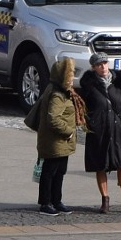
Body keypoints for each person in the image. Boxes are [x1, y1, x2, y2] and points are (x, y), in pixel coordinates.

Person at [79, 52, 121, 214]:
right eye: (99, 64)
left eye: (105, 63)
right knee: (101, 165)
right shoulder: (89, 85)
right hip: (98, 130)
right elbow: (82, 108)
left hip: (118, 128)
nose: (103, 67)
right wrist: (90, 122)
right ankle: (105, 200)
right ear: (93, 68)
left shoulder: (118, 83)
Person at [35, 57, 87, 217]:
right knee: (50, 172)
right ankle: (46, 203)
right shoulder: (57, 95)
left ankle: (56, 201)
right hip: (55, 141)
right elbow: (53, 118)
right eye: (70, 76)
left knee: (60, 171)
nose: (72, 79)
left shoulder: (65, 92)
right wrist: (69, 131)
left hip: (61, 142)